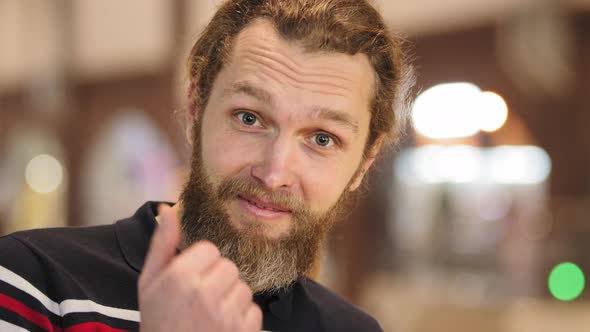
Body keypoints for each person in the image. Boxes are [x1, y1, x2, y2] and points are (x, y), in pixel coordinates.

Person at [0, 0, 414, 331]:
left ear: (364, 162)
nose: (274, 173)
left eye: (323, 139)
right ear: (196, 110)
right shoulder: (33, 281)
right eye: (249, 118)